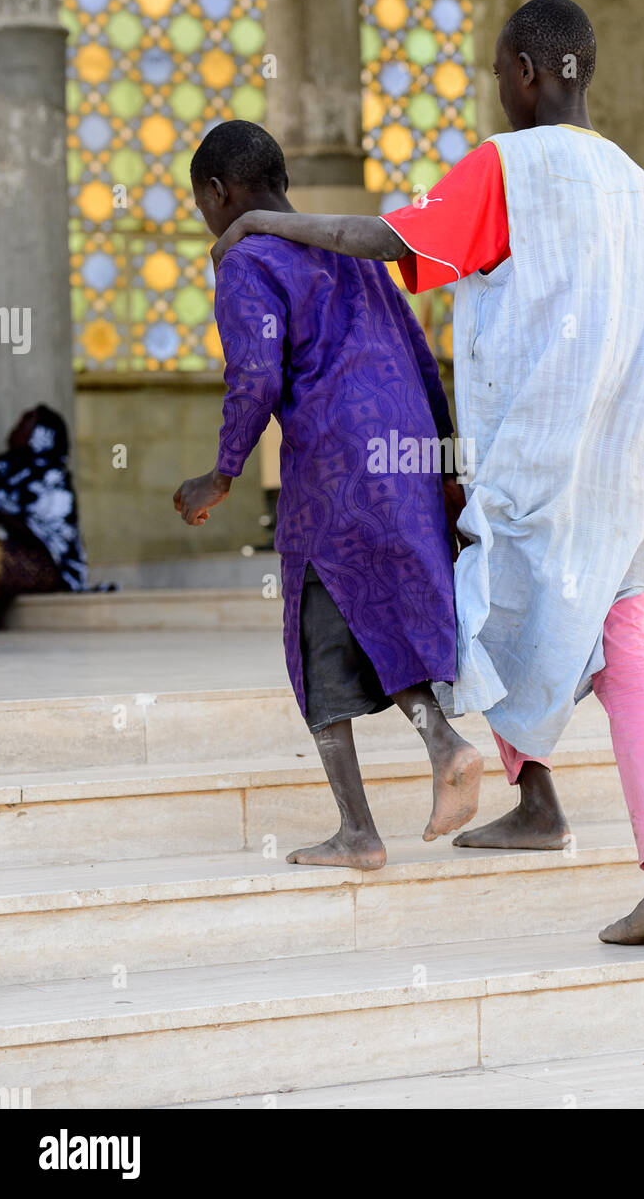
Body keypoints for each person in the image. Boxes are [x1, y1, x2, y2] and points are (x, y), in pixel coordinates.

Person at [210, 0, 644, 946]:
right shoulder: (635, 181)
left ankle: (492, 792)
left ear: (524, 70)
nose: (494, 88)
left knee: (465, 617)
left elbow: (388, 241)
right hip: (631, 459)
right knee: (621, 653)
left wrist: (267, 222)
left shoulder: (507, 167)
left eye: (492, 71)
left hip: (537, 460)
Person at [174, 120, 482, 870]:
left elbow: (255, 377)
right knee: (366, 612)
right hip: (404, 452)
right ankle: (441, 743)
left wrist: (220, 472)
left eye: (201, 204)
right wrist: (443, 464)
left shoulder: (247, 260)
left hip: (334, 469)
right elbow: (420, 354)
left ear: (218, 193)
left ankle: (359, 831)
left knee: (315, 641)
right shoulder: (348, 248)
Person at [0, 405, 87, 629]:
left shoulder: (52, 479)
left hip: (48, 568)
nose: (15, 429)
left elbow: (43, 537)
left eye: (24, 423)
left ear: (40, 433)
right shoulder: (6, 468)